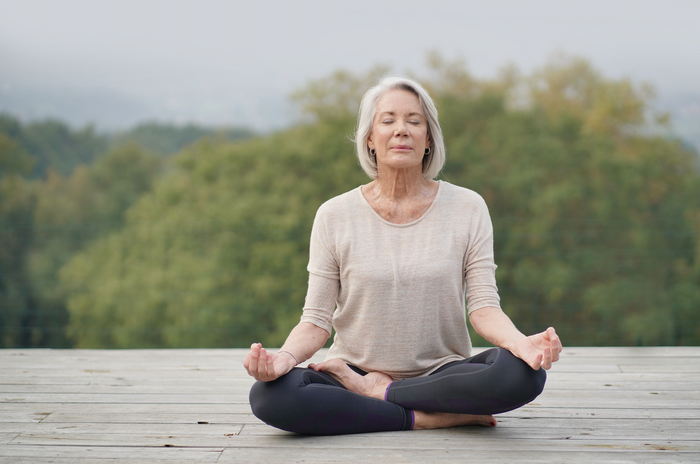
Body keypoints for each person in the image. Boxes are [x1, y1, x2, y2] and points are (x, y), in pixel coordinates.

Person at [243, 76, 562, 435]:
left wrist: (522, 344)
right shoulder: (334, 215)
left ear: (428, 139)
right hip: (352, 373)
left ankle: (385, 395)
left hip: (442, 375)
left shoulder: (468, 207)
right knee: (271, 397)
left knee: (522, 374)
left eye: (414, 121)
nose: (402, 130)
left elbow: (485, 306)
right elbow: (316, 320)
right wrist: (283, 358)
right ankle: (418, 417)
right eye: (388, 120)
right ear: (369, 138)